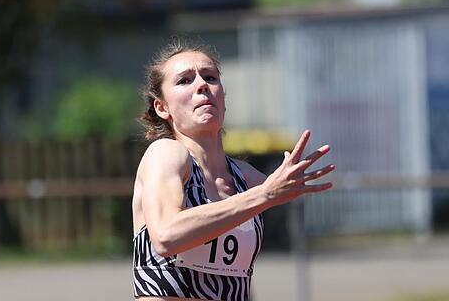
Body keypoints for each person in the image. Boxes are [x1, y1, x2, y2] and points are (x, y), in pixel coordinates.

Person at [132, 39, 335, 301]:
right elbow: (167, 236)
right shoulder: (166, 154)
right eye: (184, 81)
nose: (202, 85)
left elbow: (235, 277)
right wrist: (264, 195)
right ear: (162, 107)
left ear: (223, 98)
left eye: (210, 77)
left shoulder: (246, 177)